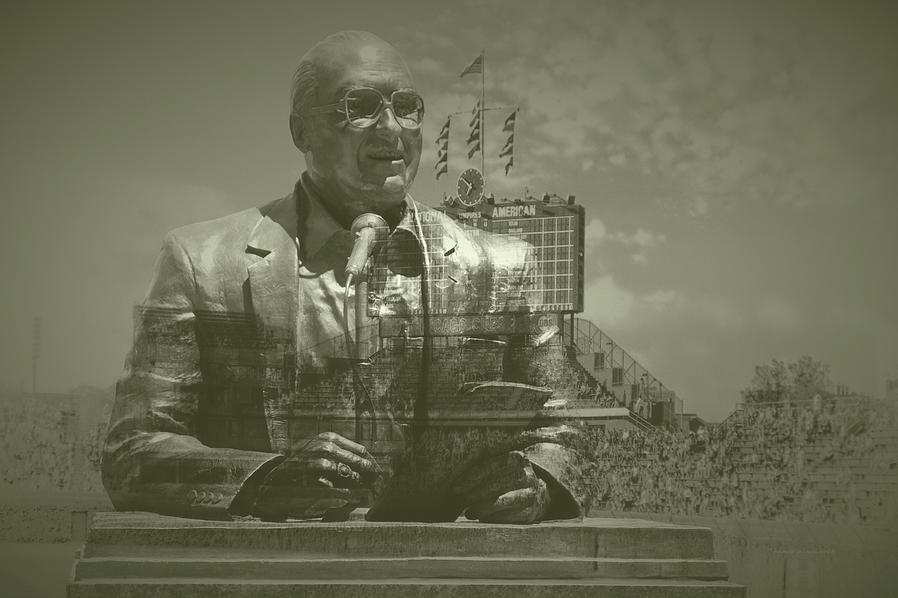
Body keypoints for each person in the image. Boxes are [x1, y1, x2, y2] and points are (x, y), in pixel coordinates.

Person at [102, 31, 586, 524]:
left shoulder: (504, 267)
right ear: (301, 131)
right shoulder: (201, 261)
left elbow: (568, 431)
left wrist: (537, 483)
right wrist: (263, 479)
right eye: (361, 106)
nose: (391, 128)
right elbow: (132, 450)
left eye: (407, 106)